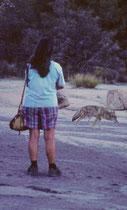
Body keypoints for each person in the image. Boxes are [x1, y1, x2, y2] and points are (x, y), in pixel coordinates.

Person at [22, 37, 65, 177]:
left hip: (31, 104)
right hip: (49, 105)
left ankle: (33, 167)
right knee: (49, 137)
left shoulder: (29, 66)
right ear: (51, 50)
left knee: (33, 136)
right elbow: (61, 85)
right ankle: (52, 168)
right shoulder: (56, 67)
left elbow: (28, 84)